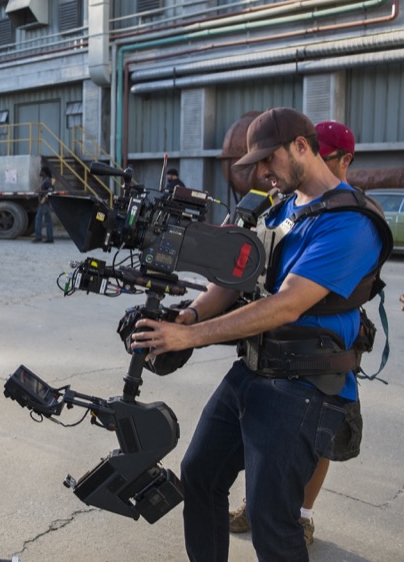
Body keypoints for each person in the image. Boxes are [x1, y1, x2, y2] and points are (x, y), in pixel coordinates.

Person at [130, 108, 389, 562]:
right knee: (201, 475)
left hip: (306, 386)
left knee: (272, 519)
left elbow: (285, 304)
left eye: (269, 161)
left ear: (302, 147)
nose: (262, 173)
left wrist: (191, 339)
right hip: (254, 369)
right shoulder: (281, 208)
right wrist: (189, 316)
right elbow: (234, 279)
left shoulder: (350, 222)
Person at [227, 120, 369, 545]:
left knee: (318, 439)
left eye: (327, 158)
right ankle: (261, 504)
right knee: (266, 439)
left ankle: (302, 514)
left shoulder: (350, 215)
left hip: (324, 347)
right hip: (275, 346)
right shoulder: (289, 203)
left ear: (344, 159)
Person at [32, 165, 55, 243]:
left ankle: (38, 237)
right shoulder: (45, 180)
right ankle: (50, 238)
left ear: (44, 172)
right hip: (45, 202)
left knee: (38, 219)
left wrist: (40, 192)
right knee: (48, 220)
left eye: (41, 171)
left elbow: (50, 191)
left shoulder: (48, 180)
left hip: (44, 202)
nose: (39, 173)